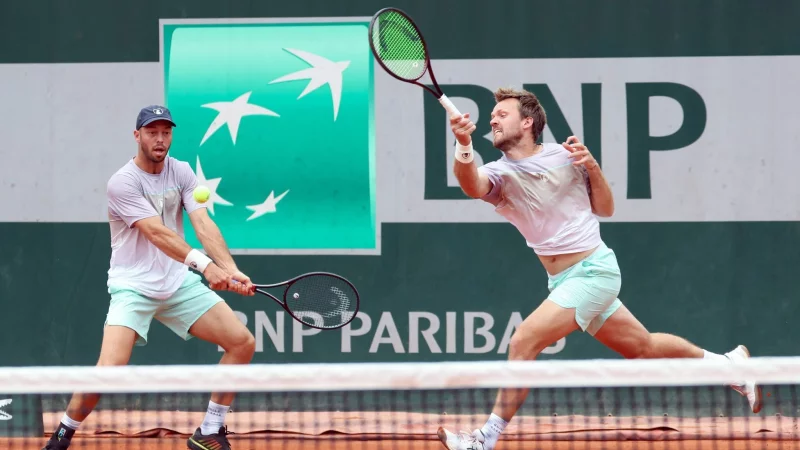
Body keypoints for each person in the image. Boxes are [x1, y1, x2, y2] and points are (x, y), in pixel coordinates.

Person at [436, 88, 762, 450]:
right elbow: (470, 184)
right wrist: (464, 143)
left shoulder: (567, 156)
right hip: (562, 280)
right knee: (643, 346)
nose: (493, 119)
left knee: (523, 341)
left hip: (594, 271)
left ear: (527, 122)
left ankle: (485, 439)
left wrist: (592, 167)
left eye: (502, 114)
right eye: (492, 115)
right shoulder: (500, 174)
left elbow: (605, 208)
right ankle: (730, 366)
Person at [42, 105, 257, 450]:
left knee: (242, 343)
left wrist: (229, 269)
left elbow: (203, 224)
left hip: (177, 283)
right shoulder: (122, 183)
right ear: (137, 135)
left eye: (166, 132)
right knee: (109, 369)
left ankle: (210, 430)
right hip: (133, 288)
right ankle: (64, 432)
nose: (160, 139)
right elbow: (157, 233)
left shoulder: (182, 171)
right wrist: (206, 267)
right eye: (152, 132)